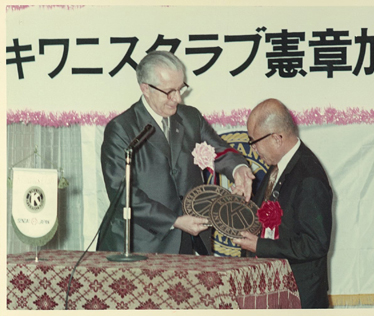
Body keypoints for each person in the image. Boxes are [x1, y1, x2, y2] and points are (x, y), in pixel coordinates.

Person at [97, 50, 254, 255]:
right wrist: (175, 221)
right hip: (139, 245)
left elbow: (220, 150)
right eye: (169, 91)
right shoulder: (121, 129)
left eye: (181, 89)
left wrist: (238, 169)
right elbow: (122, 194)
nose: (177, 99)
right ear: (146, 89)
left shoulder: (190, 118)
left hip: (186, 243)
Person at [233, 98, 333, 308]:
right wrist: (242, 204)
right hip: (275, 288)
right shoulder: (281, 164)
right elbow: (272, 219)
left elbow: (315, 244)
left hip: (299, 295)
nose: (253, 150)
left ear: (277, 138)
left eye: (254, 141)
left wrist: (259, 245)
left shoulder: (309, 178)